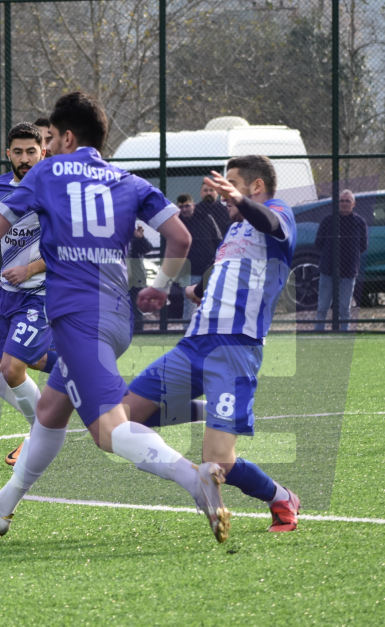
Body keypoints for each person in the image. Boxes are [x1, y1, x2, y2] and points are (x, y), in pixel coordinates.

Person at [0, 90, 229, 542]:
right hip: (118, 316)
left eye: (50, 138)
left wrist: (21, 211)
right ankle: (0, 508)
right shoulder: (128, 180)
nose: (46, 147)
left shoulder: (46, 172)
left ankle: (193, 477)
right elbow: (180, 237)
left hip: (76, 319)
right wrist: (159, 287)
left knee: (108, 431)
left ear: (66, 137)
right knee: (49, 411)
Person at [124, 157, 303, 534]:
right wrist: (193, 289)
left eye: (232, 184)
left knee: (218, 461)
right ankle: (209, 412)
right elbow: (225, 269)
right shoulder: (235, 228)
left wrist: (239, 198)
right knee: (122, 418)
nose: (224, 195)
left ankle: (281, 497)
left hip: (235, 351)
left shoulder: (277, 213)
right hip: (193, 346)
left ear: (255, 187)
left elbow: (270, 224)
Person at [0, 122, 57, 466]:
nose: (24, 159)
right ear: (8, 154)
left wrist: (29, 270)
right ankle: (75, 369)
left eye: (31, 152)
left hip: (41, 292)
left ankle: (41, 429)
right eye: (18, 152)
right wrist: (8, 274)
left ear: (43, 152)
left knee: (11, 367)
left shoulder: (55, 190)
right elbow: (11, 235)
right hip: (8, 291)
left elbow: (66, 249)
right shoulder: (1, 185)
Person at [314, 190, 369, 332]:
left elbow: (363, 246)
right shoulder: (328, 220)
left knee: (345, 308)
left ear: (353, 204)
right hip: (328, 269)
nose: (344, 204)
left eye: (347, 201)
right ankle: (318, 333)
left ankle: (344, 334)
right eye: (341, 201)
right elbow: (318, 243)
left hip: (348, 271)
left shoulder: (359, 222)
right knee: (322, 307)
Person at [176, 193, 223, 322]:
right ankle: (188, 332)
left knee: (211, 304)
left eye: (187, 206)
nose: (184, 209)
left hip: (207, 269)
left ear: (193, 205)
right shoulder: (177, 223)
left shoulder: (206, 218)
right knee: (189, 308)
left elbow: (218, 240)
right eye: (181, 207)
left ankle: (210, 329)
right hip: (188, 272)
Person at [127, 222, 154, 331]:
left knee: (136, 307)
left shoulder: (134, 236)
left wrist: (140, 238)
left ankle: (138, 331)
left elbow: (147, 248)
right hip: (117, 277)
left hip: (135, 277)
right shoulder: (113, 235)